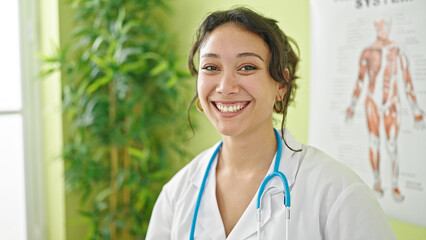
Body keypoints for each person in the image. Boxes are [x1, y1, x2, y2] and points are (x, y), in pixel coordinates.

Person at [147, 7, 396, 239]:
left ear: (281, 85)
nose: (225, 87)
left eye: (247, 67)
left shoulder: (338, 193)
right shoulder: (177, 194)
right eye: (211, 67)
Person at [346, 17, 425, 202]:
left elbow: (407, 81)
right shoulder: (367, 52)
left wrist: (415, 109)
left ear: (389, 26)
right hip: (372, 101)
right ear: (375, 27)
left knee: (391, 145)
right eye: (379, 25)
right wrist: (352, 106)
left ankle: (395, 185)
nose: (383, 28)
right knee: (374, 142)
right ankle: (377, 182)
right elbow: (360, 81)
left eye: (386, 25)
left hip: (391, 102)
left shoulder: (398, 51)